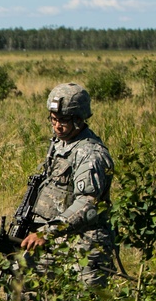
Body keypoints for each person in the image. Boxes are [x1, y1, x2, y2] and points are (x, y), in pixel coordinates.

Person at [18, 82, 114, 286]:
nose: (57, 126)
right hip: (58, 237)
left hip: (86, 244)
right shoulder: (59, 144)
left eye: (63, 121)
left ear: (79, 120)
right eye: (53, 120)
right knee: (22, 280)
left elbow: (87, 205)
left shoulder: (90, 154)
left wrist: (46, 232)